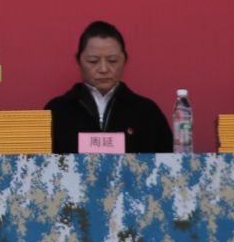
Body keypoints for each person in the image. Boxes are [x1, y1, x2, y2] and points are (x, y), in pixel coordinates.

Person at [45, 20, 172, 153]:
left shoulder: (147, 112)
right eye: (93, 61)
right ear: (79, 61)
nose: (103, 69)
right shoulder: (56, 111)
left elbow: (169, 161)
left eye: (112, 60)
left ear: (125, 60)